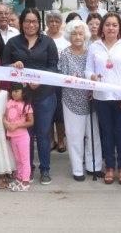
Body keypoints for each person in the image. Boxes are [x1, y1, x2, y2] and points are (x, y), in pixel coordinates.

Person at [3, 8, 59, 185]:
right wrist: (13, 65)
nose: (31, 25)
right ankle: (28, 169)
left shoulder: (48, 42)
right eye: (27, 21)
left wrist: (40, 80)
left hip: (44, 96)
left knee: (42, 135)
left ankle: (45, 170)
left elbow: (53, 67)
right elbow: (3, 66)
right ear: (21, 22)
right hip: (22, 99)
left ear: (39, 23)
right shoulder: (12, 43)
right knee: (25, 134)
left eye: (34, 21)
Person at [86, 12, 121, 185]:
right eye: (107, 24)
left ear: (119, 28)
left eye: (114, 25)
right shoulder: (95, 47)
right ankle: (109, 167)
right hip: (101, 98)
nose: (111, 28)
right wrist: (92, 76)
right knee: (106, 134)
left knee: (120, 134)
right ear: (102, 27)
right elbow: (88, 70)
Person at [59, 19, 102, 181]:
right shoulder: (65, 53)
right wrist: (72, 78)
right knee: (74, 135)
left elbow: (95, 73)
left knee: (93, 134)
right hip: (71, 99)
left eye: (80, 33)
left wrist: (92, 89)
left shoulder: (91, 51)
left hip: (90, 98)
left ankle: (94, 166)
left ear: (86, 35)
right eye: (74, 34)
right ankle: (78, 169)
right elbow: (62, 76)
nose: (77, 37)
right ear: (69, 36)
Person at [45, 11, 69, 154]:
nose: (54, 24)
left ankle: (60, 140)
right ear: (47, 23)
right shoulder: (41, 37)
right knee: (48, 112)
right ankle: (50, 140)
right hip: (45, 80)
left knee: (59, 113)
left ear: (61, 23)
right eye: (51, 21)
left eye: (57, 21)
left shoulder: (66, 39)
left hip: (61, 81)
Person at [4, 83, 34, 192]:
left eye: (17, 91)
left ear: (23, 92)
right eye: (12, 91)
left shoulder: (27, 105)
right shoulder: (10, 102)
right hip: (13, 137)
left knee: (24, 160)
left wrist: (17, 125)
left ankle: (25, 181)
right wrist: (6, 123)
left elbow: (31, 122)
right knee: (17, 159)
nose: (14, 93)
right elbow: (5, 116)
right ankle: (19, 178)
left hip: (22, 136)